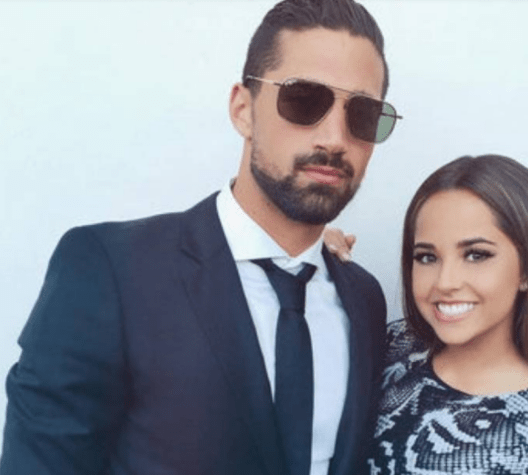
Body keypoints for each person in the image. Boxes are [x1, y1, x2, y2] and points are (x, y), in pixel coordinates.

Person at [0, 1, 401, 474]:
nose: (334, 137)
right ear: (243, 110)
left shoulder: (363, 298)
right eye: (304, 100)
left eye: (363, 113)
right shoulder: (110, 270)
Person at [327, 154, 528, 474]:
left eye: (476, 255)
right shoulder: (394, 348)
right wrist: (312, 257)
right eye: (426, 257)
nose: (445, 283)